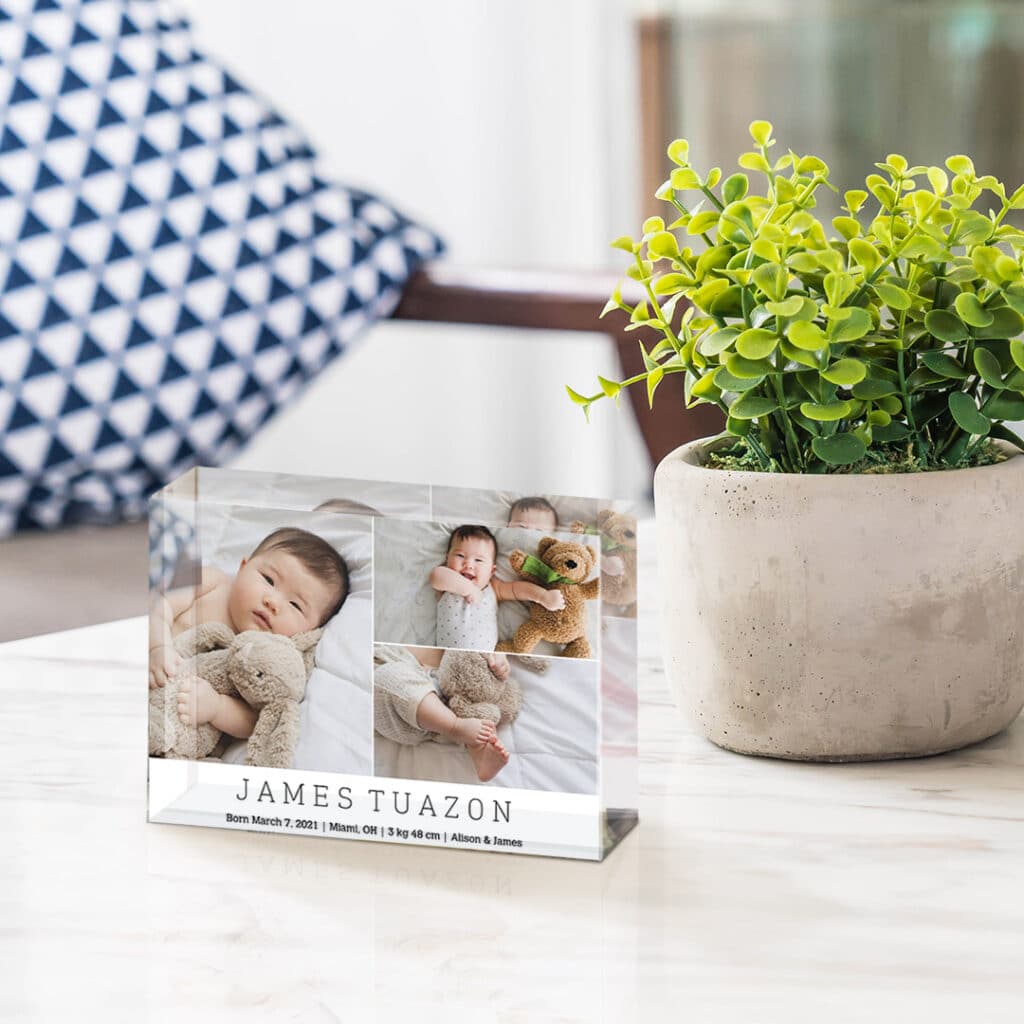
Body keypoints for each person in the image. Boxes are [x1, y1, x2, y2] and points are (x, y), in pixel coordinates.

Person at [148, 527, 349, 739]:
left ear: (311, 630)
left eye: (295, 605)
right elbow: (158, 604)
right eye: (269, 580)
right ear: (243, 568)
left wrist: (217, 708)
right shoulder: (212, 580)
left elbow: (256, 721)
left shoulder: (268, 661)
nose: (273, 602)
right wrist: (158, 646)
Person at [374, 645, 511, 782]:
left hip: (453, 681)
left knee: (476, 695)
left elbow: (484, 639)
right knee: (386, 680)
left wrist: (497, 656)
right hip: (399, 704)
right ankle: (455, 726)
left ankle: (479, 748)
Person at [430, 524, 563, 651]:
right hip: (448, 655)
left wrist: (543, 596)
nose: (468, 564)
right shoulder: (448, 583)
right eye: (460, 556)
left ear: (491, 571)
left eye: (479, 560)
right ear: (447, 559)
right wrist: (469, 589)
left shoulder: (493, 588)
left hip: (485, 656)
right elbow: (436, 576)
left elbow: (517, 590)